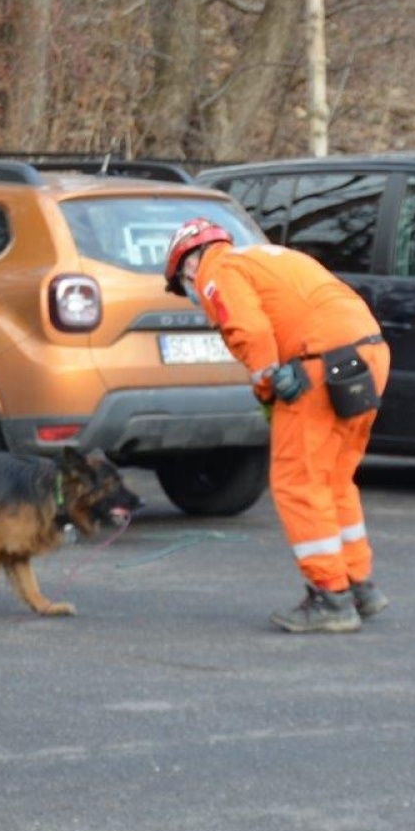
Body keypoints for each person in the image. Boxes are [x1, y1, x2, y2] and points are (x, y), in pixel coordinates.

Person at [163, 219, 391, 634]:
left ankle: (330, 597)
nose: (192, 296)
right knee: (335, 479)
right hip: (369, 354)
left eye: (183, 287)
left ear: (188, 266)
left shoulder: (217, 270)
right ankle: (360, 585)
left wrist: (268, 384)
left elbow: (248, 330)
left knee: (298, 482)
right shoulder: (268, 258)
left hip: (318, 365)